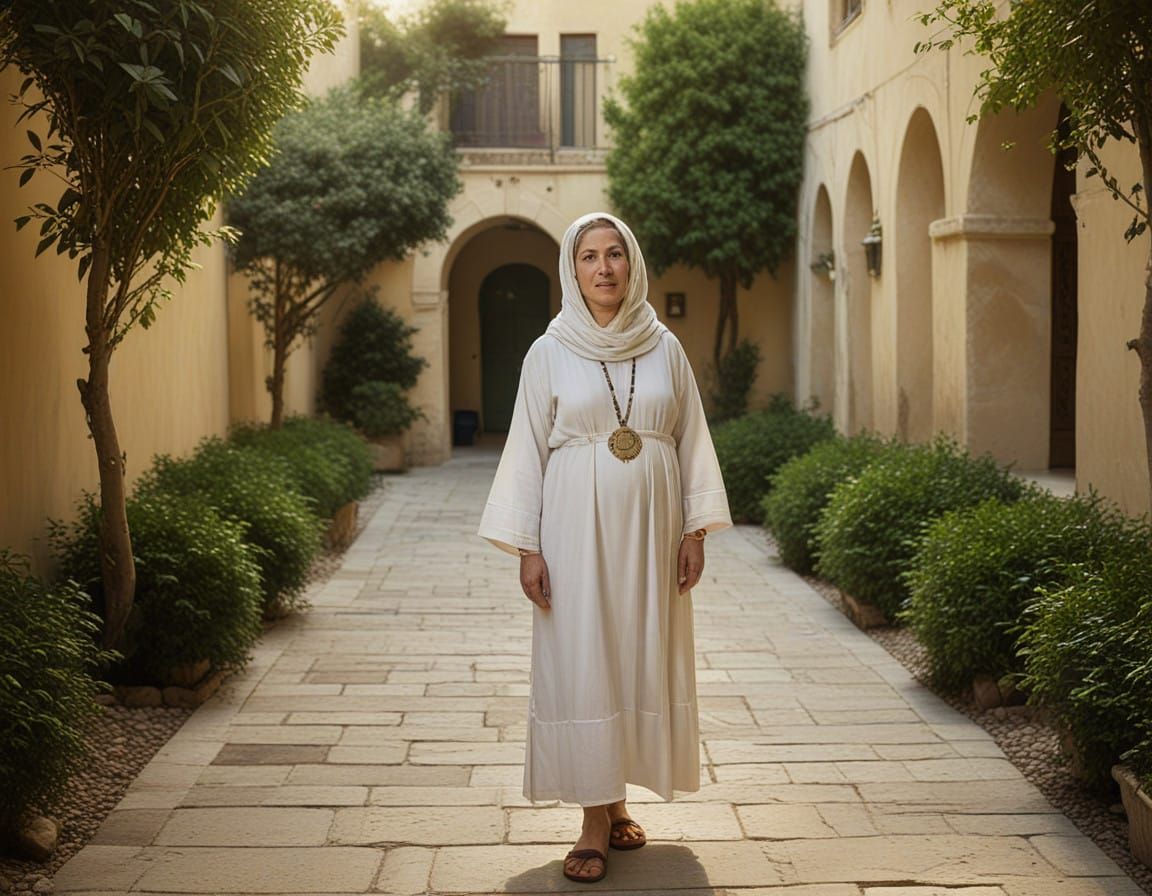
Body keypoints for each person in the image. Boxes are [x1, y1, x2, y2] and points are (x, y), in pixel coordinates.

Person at [477, 212, 732, 884]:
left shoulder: (664, 346)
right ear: (573, 269)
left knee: (638, 654)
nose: (603, 268)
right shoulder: (549, 350)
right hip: (572, 528)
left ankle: (618, 798)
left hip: (652, 531)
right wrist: (528, 547)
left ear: (632, 262)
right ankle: (595, 818)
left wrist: (694, 529)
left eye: (614, 254)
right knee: (584, 655)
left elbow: (691, 438)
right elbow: (527, 447)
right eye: (588, 256)